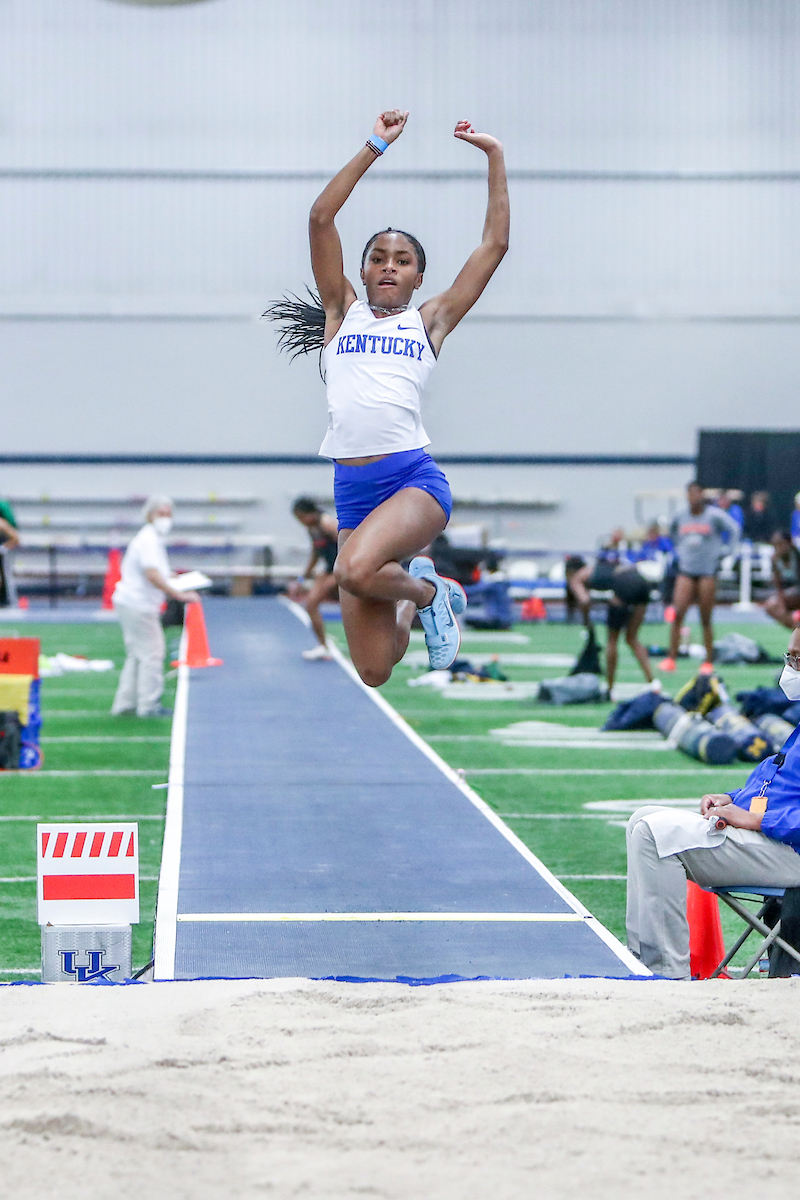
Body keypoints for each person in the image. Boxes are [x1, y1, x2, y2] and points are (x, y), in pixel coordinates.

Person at [267, 110, 508, 686]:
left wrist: (494, 156)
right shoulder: (339, 313)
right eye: (379, 258)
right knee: (376, 668)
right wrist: (376, 144)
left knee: (350, 569)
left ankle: (431, 592)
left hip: (411, 484)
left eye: (402, 261)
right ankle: (413, 597)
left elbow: (494, 246)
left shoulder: (430, 323)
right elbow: (321, 216)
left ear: (419, 277)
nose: (389, 267)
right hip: (352, 494)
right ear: (363, 269)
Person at [626, 625, 800, 979]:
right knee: (642, 818)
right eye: (790, 657)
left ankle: (666, 974)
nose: (790, 668)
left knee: (651, 833)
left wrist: (755, 820)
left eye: (799, 659)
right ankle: (644, 961)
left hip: (789, 851)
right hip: (778, 843)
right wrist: (732, 800)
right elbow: (783, 784)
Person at [111, 496, 200, 718]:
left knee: (137, 654)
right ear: (150, 514)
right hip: (138, 603)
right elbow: (152, 574)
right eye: (162, 514)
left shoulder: (150, 539)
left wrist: (177, 579)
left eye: (169, 514)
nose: (166, 519)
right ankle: (148, 705)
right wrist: (177, 593)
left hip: (131, 601)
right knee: (152, 653)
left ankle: (125, 703)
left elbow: (157, 572)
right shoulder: (149, 540)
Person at [659, 481, 740, 675]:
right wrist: (679, 550)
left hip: (707, 572)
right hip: (686, 571)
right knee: (678, 613)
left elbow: (734, 529)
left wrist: (728, 552)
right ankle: (671, 657)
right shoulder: (680, 516)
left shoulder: (714, 515)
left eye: (696, 493)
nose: (693, 497)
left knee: (706, 617)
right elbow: (672, 533)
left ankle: (708, 660)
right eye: (689, 494)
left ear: (702, 494)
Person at [565, 555, 656, 692]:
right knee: (632, 638)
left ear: (569, 572)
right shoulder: (598, 567)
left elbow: (584, 600)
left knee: (612, 640)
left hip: (622, 584)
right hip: (641, 581)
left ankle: (610, 688)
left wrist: (587, 623)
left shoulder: (578, 577)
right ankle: (653, 682)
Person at [288, 497, 339, 660]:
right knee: (311, 604)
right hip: (328, 569)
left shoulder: (328, 524)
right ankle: (323, 646)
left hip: (341, 568)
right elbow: (315, 554)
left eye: (301, 517)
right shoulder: (312, 529)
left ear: (310, 513)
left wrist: (342, 573)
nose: (301, 522)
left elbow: (349, 545)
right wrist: (302, 579)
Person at [763, 530, 800, 629]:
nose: (777, 548)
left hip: (796, 591)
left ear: (789, 543)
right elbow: (777, 583)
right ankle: (795, 627)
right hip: (789, 594)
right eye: (774, 545)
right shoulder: (775, 560)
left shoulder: (797, 556)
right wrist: (781, 601)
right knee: (771, 606)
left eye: (780, 544)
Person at [0, 496, 20, 608]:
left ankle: (8, 600)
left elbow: (15, 538)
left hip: (5, 547)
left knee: (6, 574)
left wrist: (6, 546)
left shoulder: (2, 524)